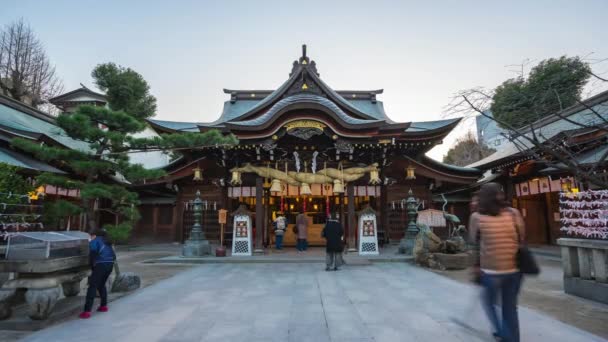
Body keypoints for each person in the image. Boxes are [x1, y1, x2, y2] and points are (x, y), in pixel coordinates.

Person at [468, 183, 525, 342]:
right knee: (510, 307)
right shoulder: (514, 213)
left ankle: (504, 333)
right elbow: (522, 236)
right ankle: (513, 338)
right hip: (514, 269)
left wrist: (476, 265)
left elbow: (474, 242)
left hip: (491, 271)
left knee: (488, 303)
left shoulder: (477, 217)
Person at [80, 228, 116, 319]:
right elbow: (114, 255)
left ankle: (87, 311)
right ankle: (103, 306)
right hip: (110, 264)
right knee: (101, 285)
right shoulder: (107, 241)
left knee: (92, 286)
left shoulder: (95, 241)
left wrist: (92, 266)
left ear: (94, 235)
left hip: (101, 265)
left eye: (90, 236)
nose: (90, 238)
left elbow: (92, 255)